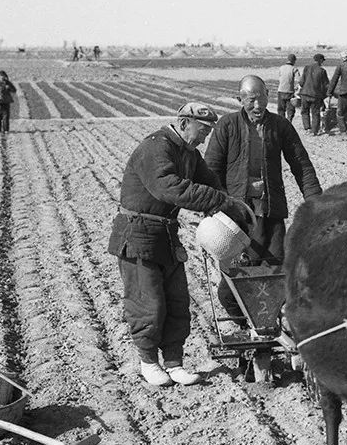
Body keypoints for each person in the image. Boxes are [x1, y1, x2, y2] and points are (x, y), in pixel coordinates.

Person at [107, 102, 251, 387]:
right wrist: (219, 201)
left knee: (177, 302)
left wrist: (232, 209)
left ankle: (174, 364)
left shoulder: (189, 154)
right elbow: (170, 187)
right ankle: (149, 362)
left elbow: (210, 184)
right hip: (138, 235)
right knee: (148, 303)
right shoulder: (156, 147)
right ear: (184, 123)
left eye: (209, 132)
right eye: (202, 130)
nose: (205, 138)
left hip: (167, 235)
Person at [204, 75, 322, 326]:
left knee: (277, 277)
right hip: (237, 222)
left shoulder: (280, 126)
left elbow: (302, 166)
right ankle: (247, 329)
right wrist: (217, 209)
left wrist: (316, 204)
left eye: (262, 98)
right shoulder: (227, 125)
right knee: (231, 288)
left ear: (269, 95)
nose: (258, 106)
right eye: (251, 100)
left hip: (271, 215)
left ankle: (268, 328)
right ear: (240, 100)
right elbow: (211, 171)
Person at [298, 53, 328, 135]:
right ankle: (314, 131)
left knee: (304, 111)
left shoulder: (307, 68)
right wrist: (326, 95)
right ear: (321, 60)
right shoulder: (322, 71)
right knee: (315, 113)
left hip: (304, 94)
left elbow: (301, 82)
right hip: (315, 96)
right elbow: (326, 85)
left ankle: (307, 128)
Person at [276, 53, 299, 122]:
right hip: (290, 92)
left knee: (281, 109)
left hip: (281, 91)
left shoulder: (281, 68)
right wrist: (296, 88)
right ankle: (289, 121)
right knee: (290, 109)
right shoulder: (294, 69)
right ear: (294, 61)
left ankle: (281, 122)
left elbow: (280, 78)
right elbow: (299, 80)